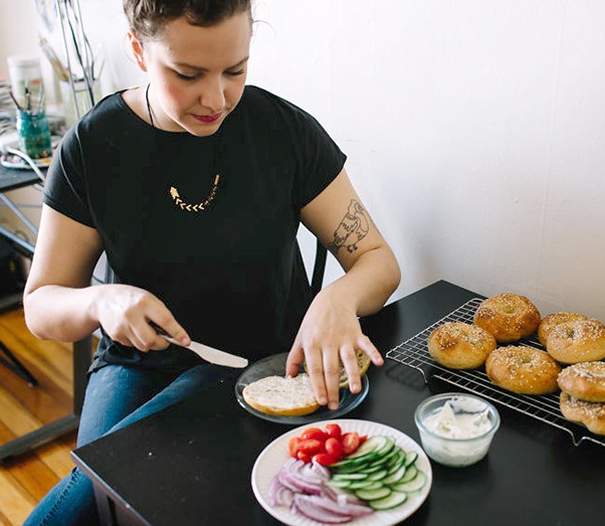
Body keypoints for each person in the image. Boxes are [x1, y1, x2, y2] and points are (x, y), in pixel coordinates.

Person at [22, 1, 400, 524]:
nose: (217, 98)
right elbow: (41, 306)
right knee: (102, 491)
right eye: (188, 74)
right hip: (140, 366)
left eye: (235, 70)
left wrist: (338, 298)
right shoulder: (94, 147)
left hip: (269, 368)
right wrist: (102, 299)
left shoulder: (282, 132)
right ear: (138, 50)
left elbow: (377, 260)